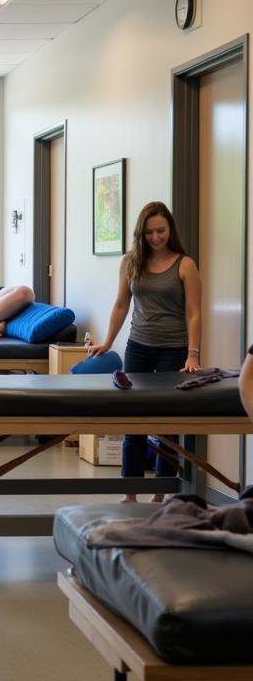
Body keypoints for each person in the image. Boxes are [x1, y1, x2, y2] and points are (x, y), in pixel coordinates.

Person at [89, 200, 202, 502]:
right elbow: (121, 305)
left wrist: (193, 354)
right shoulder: (130, 262)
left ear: (170, 230)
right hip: (138, 347)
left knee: (166, 425)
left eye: (161, 231)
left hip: (173, 350)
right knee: (134, 424)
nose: (155, 237)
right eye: (149, 232)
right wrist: (108, 341)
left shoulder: (185, 264)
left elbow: (193, 313)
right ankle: (130, 494)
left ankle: (160, 494)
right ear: (141, 233)